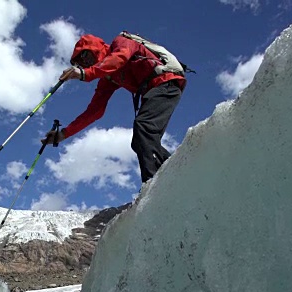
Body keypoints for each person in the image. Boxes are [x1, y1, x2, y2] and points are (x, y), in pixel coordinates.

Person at [41, 33, 186, 184]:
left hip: (166, 82)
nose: (85, 63)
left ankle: (153, 186)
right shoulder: (108, 79)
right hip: (157, 89)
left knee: (143, 128)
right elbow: (94, 111)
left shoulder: (121, 42)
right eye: (80, 63)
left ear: (96, 47)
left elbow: (119, 58)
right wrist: (63, 134)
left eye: (84, 55)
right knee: (140, 141)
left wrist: (86, 73)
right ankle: (178, 173)